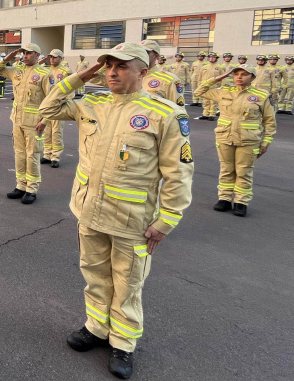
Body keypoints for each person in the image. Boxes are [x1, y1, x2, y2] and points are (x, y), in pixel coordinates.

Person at [38, 42, 193, 380]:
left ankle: (123, 342)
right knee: (94, 275)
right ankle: (96, 328)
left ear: (143, 72)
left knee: (127, 283)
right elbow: (47, 109)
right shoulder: (92, 104)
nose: (112, 71)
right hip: (89, 212)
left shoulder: (165, 114)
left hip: (131, 220)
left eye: (122, 66)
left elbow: (179, 174)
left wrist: (166, 220)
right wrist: (81, 76)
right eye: (108, 65)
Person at [194, 64, 275, 217]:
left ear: (252, 77)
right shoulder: (224, 92)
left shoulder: (262, 95)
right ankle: (224, 198)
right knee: (226, 169)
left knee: (244, 171)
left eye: (244, 74)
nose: (239, 77)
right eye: (236, 74)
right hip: (225, 137)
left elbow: (270, 121)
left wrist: (266, 143)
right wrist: (218, 78)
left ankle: (241, 202)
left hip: (249, 140)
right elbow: (199, 91)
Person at [0, 43, 53, 204]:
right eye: (23, 53)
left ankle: (31, 189)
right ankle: (21, 185)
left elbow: (52, 100)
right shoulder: (17, 71)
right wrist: (7, 58)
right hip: (17, 120)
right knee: (19, 154)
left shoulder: (44, 74)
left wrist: (45, 121)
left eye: (29, 53)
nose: (25, 56)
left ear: (38, 55)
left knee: (32, 156)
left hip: (35, 123)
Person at [38, 49, 71, 167]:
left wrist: (65, 104)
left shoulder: (66, 71)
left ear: (61, 58)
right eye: (51, 57)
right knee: (46, 131)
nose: (52, 59)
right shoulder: (46, 70)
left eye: (55, 57)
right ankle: (47, 154)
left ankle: (55, 157)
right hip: (47, 106)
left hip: (59, 106)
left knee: (56, 132)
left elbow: (70, 89)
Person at [196, 52, 224, 120]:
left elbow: (223, 77)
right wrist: (199, 85)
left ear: (216, 58)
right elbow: (200, 77)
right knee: (205, 101)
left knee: (213, 102)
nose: (212, 58)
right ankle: (205, 114)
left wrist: (222, 86)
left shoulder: (219, 67)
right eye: (210, 57)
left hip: (214, 87)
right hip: (205, 87)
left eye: (213, 57)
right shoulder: (204, 67)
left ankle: (212, 115)